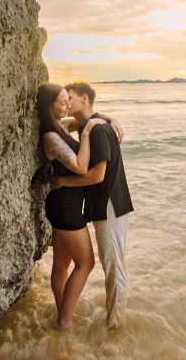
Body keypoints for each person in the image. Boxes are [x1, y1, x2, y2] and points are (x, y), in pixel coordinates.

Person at [55, 81, 134, 329]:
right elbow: (59, 123)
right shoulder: (88, 125)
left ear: (85, 99)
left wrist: (62, 182)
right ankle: (115, 319)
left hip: (110, 204)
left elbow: (97, 176)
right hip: (105, 204)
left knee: (113, 266)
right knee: (111, 263)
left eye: (71, 98)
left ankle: (115, 328)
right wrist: (112, 117)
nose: (67, 103)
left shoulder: (98, 131)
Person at [36, 83, 106, 330]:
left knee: (62, 265)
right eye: (62, 102)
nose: (67, 106)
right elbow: (80, 167)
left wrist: (110, 119)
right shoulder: (51, 137)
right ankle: (65, 321)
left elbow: (88, 118)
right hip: (66, 208)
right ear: (50, 105)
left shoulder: (61, 127)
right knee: (86, 264)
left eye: (68, 100)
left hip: (63, 204)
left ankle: (63, 313)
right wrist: (86, 135)